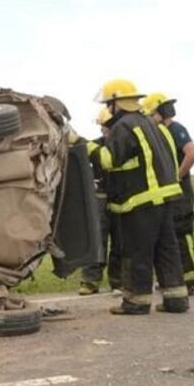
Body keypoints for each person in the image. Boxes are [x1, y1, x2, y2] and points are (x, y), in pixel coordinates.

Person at [87, 79, 185, 314]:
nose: (108, 108)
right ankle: (176, 299)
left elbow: (108, 160)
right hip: (164, 198)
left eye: (109, 104)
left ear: (115, 103)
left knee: (137, 250)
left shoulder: (124, 126)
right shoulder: (148, 122)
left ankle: (137, 301)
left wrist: (85, 146)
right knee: (166, 249)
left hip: (141, 201)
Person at [142, 92, 194, 293]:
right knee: (170, 234)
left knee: (180, 232)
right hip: (169, 191)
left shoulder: (176, 129)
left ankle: (188, 279)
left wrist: (177, 176)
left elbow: (192, 153)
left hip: (180, 190)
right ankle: (177, 278)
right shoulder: (160, 133)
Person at [79, 106, 122, 295]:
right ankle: (90, 281)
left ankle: (118, 281)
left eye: (108, 127)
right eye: (104, 127)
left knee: (122, 242)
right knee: (97, 240)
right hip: (100, 199)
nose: (105, 131)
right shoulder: (93, 146)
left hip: (123, 199)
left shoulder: (125, 146)